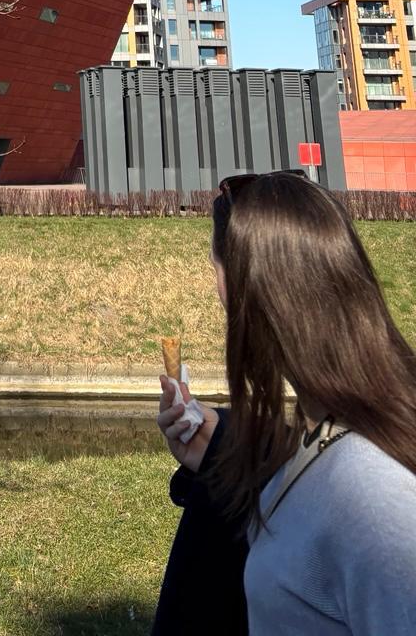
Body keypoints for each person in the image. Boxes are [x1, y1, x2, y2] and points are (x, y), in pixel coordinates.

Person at [152, 170, 416, 635]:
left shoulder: (372, 499)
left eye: (217, 272)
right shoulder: (329, 439)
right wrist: (220, 448)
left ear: (251, 294)